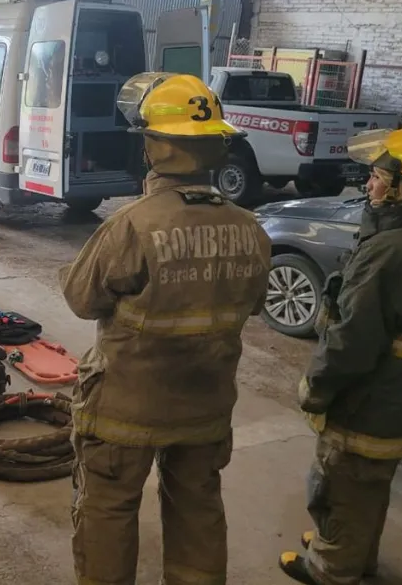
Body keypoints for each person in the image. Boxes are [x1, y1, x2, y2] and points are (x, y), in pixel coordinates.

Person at [59, 72, 270, 585]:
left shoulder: (133, 225)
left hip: (126, 410)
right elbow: (253, 302)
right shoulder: (250, 228)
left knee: (108, 509)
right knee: (198, 508)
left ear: (155, 148)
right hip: (205, 406)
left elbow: (83, 300)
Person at [278, 128, 402, 585]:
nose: (369, 185)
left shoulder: (392, 252)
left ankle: (330, 568)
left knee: (339, 485)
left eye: (379, 177)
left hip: (369, 401)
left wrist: (317, 389)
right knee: (369, 488)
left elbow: (352, 340)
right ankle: (352, 554)